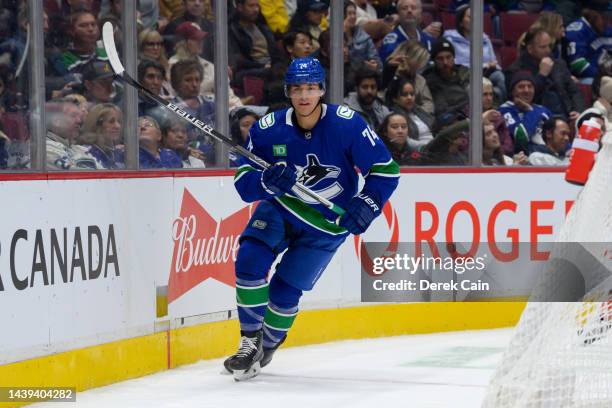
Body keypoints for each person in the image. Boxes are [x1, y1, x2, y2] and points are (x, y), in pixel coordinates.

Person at [223, 57, 399, 380]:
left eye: (311, 88)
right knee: (250, 257)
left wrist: (368, 203)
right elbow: (242, 182)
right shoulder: (267, 128)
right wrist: (266, 181)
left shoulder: (348, 125)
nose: (304, 96)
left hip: (325, 227)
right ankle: (249, 341)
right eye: (297, 89)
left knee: (285, 291)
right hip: (282, 208)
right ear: (288, 92)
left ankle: (269, 346)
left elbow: (386, 171)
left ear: (321, 90)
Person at [505, 26, 585, 120]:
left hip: (566, 114)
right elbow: (524, 100)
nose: (548, 50)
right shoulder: (516, 70)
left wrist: (578, 111)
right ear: (530, 49)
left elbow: (574, 91)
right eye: (543, 47)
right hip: (537, 118)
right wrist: (542, 75)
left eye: (549, 46)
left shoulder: (559, 64)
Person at [443, 5, 506, 103]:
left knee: (499, 76)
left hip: (486, 73)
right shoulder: (451, 40)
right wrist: (484, 66)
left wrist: (493, 66)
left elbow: (493, 61)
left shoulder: (485, 39)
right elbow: (456, 65)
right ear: (461, 22)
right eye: (470, 17)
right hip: (465, 77)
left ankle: (501, 110)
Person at [499, 70, 552, 154]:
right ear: (513, 91)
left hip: (550, 155)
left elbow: (556, 138)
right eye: (521, 87)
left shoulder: (544, 111)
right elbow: (521, 136)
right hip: (524, 157)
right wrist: (530, 110)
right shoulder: (505, 110)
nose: (526, 90)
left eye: (530, 86)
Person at [423, 38, 470, 125]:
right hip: (454, 121)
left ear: (454, 57)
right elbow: (442, 110)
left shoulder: (465, 72)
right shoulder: (431, 81)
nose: (445, 62)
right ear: (434, 61)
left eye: (448, 57)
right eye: (440, 59)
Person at [46, 97, 98, 170]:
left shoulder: (81, 149)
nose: (79, 121)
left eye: (79, 116)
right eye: (73, 116)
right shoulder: (45, 150)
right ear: (56, 121)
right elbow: (80, 177)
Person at [565, 3, 612, 83]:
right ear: (592, 15)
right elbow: (578, 65)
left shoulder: (607, 28)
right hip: (584, 79)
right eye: (604, 18)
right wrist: (603, 76)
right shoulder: (576, 31)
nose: (607, 22)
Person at [385, 76, 435, 149]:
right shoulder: (393, 117)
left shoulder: (419, 110)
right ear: (395, 99)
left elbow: (434, 128)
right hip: (421, 152)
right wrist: (430, 146)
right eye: (404, 95)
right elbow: (406, 142)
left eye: (412, 94)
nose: (409, 97)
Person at [344, 1, 381, 73]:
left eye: (354, 13)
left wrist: (375, 64)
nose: (353, 16)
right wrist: (363, 64)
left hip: (362, 76)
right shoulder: (332, 36)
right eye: (349, 14)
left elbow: (377, 61)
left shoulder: (364, 36)